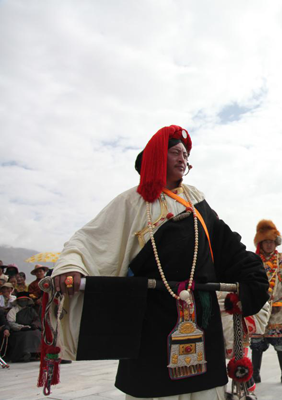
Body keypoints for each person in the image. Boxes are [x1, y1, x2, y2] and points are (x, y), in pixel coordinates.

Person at [51, 125, 269, 399]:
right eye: (176, 152)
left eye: (186, 154)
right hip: (149, 315)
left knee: (206, 391)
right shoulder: (132, 201)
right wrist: (71, 265)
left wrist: (252, 276)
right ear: (156, 156)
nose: (183, 159)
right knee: (153, 388)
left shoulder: (196, 201)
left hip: (202, 314)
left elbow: (226, 246)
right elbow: (91, 239)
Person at [250, 220, 282, 386]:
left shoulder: (281, 260)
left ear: (275, 242)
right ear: (260, 243)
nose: (269, 245)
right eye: (266, 242)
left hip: (277, 311)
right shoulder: (255, 260)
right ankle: (255, 375)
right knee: (256, 344)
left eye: (271, 241)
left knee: (281, 344)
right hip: (259, 310)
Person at [6, 292, 42, 362]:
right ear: (18, 301)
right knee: (26, 335)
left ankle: (37, 353)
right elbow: (11, 323)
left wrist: (34, 325)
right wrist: (21, 327)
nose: (23, 302)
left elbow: (36, 319)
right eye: (21, 300)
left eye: (25, 300)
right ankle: (24, 353)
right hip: (18, 331)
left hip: (31, 328)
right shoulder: (13, 310)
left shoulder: (31, 310)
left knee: (37, 333)